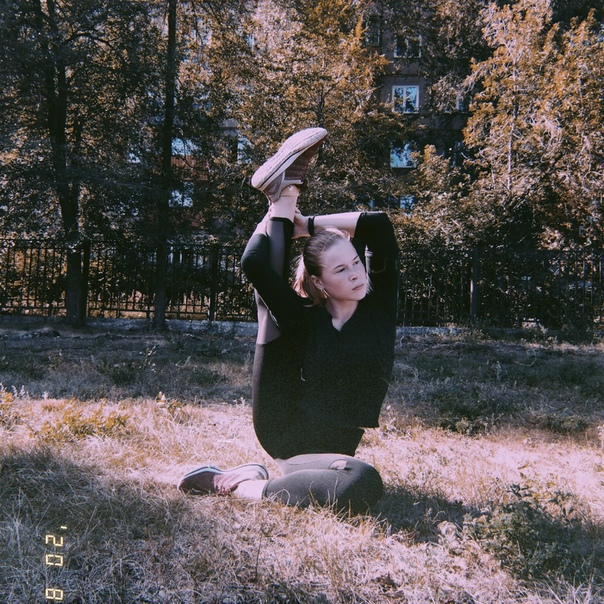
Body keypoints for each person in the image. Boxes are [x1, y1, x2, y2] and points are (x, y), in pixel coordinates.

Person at [178, 128, 399, 513]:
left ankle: (285, 192)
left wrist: (305, 224)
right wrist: (273, 216)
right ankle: (238, 486)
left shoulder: (378, 309)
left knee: (357, 481)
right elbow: (253, 264)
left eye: (356, 263)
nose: (355, 274)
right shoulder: (306, 318)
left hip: (334, 450)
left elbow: (378, 225)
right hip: (286, 432)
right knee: (364, 482)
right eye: (341, 270)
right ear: (319, 282)